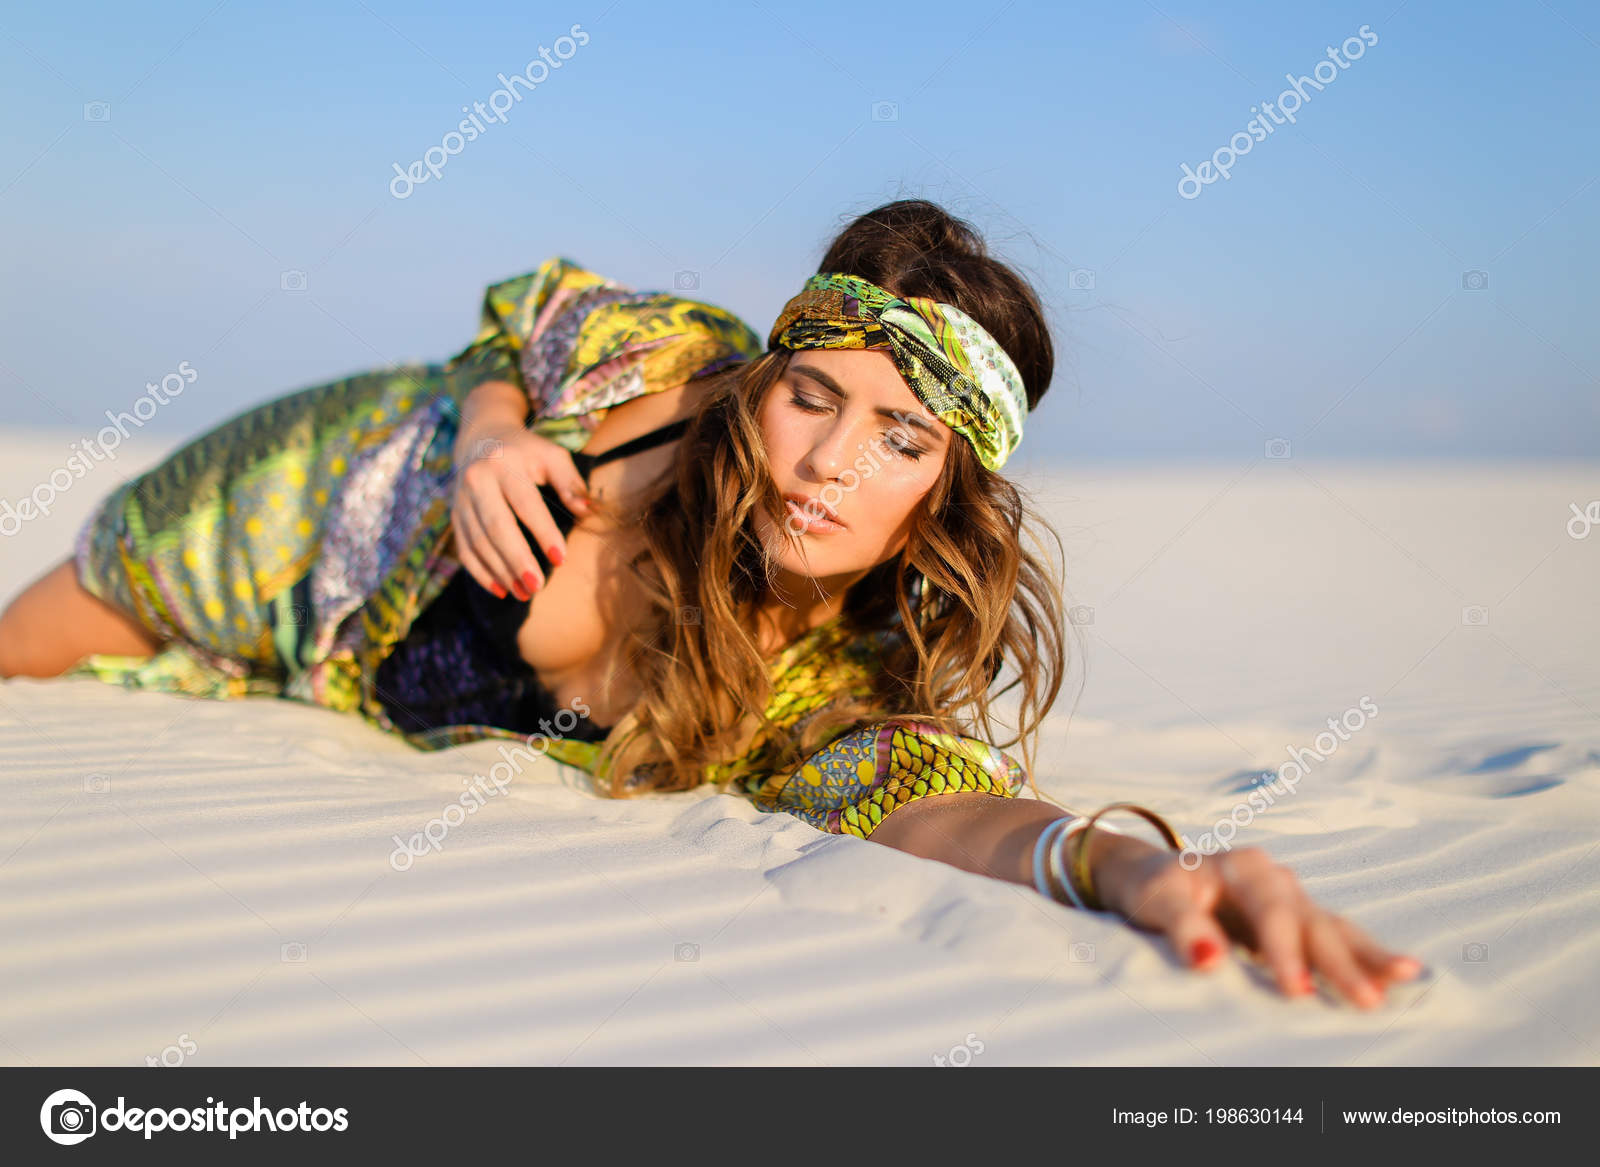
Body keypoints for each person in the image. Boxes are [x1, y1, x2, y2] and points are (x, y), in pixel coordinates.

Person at [0, 199, 1422, 1008]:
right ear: (770, 380)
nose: (825, 464)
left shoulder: (833, 694)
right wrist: (500, 433)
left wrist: (1122, 868)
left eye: (899, 441)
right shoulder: (670, 371)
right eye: (814, 396)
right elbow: (513, 320)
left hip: (328, 683)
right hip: (292, 511)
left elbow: (939, 808)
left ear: (949, 490)